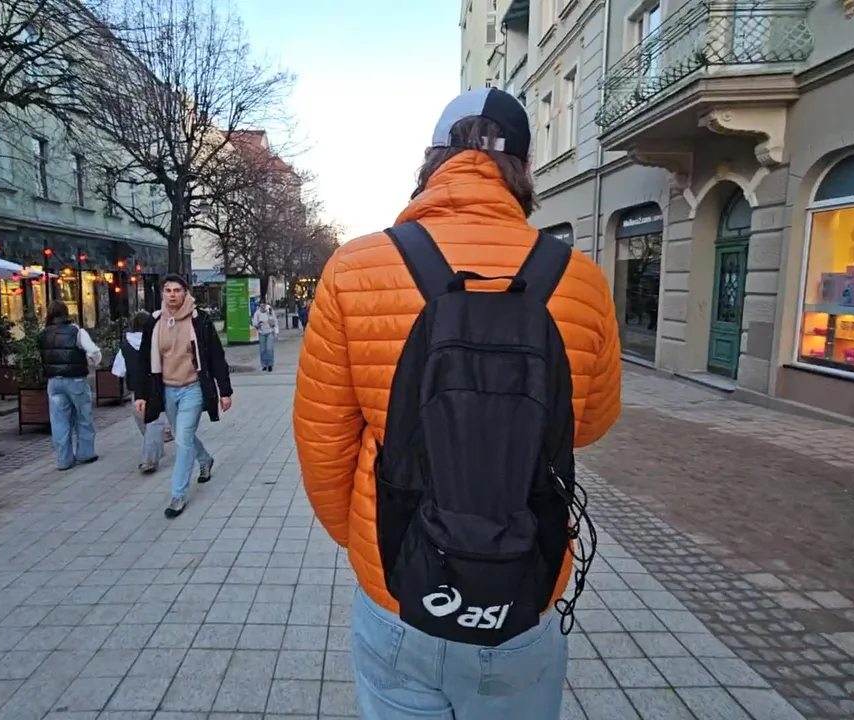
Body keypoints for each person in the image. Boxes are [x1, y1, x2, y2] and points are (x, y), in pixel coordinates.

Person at [292, 88, 623, 719]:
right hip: (525, 585)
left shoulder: (356, 267)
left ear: (433, 160)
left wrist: (368, 543)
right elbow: (589, 423)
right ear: (524, 168)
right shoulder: (579, 277)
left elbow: (322, 443)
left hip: (398, 586)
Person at [130, 273, 233, 518]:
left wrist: (225, 391)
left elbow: (216, 357)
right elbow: (143, 360)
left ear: (185, 293)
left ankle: (178, 494)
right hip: (166, 389)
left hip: (192, 388)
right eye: (168, 290)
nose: (172, 295)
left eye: (177, 290)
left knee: (183, 439)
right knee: (182, 435)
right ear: (163, 294)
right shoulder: (155, 322)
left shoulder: (200, 320)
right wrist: (141, 395)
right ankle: (205, 459)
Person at [39, 302, 101, 470]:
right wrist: (92, 362)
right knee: (83, 416)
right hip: (75, 379)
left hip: (54, 381)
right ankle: (85, 453)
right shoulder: (76, 331)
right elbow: (94, 352)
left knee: (59, 421)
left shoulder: (44, 333)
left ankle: (63, 459)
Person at [111, 310, 166, 474]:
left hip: (136, 391)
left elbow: (118, 371)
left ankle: (152, 453)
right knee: (155, 422)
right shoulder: (156, 341)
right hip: (156, 387)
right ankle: (151, 455)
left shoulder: (126, 346)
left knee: (144, 423)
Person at [252, 299, 279, 371]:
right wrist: (258, 324)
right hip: (262, 332)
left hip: (270, 332)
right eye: (261, 306)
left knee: (269, 349)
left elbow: (275, 322)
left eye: (264, 305)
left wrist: (276, 332)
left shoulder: (270, 311)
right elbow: (254, 323)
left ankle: (270, 364)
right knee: (263, 349)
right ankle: (264, 365)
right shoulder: (257, 313)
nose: (263, 307)